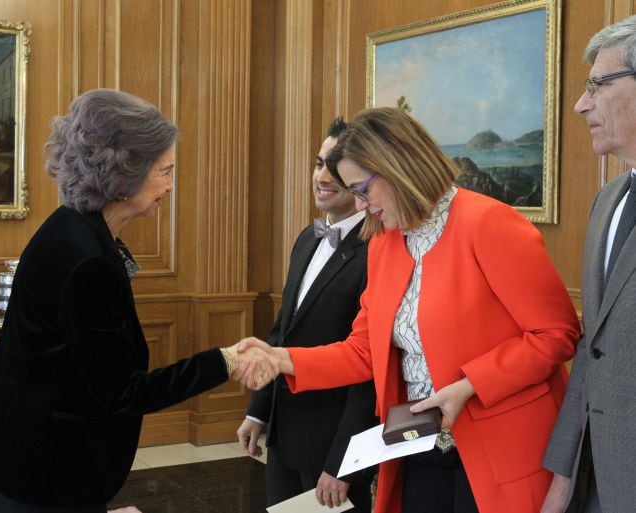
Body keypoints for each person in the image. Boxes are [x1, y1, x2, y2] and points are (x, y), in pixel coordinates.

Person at [240, 107, 581, 513]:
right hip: (417, 443)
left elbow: (557, 334)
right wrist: (283, 359)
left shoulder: (489, 223)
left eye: (363, 189)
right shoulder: (384, 244)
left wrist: (469, 385)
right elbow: (363, 350)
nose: (362, 205)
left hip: (500, 448)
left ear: (396, 166)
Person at [0, 88, 274, 513]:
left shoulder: (76, 227)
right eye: (164, 171)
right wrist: (226, 361)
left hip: (34, 459)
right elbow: (123, 392)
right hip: (41, 471)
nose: (170, 185)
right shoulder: (84, 257)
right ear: (124, 173)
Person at [236, 118, 378, 512]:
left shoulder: (378, 252)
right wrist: (259, 412)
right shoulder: (306, 238)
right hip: (284, 434)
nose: (323, 176)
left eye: (336, 166)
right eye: (319, 163)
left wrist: (345, 463)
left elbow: (369, 369)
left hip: (334, 446)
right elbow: (282, 333)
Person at [542, 15, 636, 513]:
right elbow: (592, 347)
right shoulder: (608, 201)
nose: (581, 104)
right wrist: (561, 477)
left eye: (597, 85)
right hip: (595, 479)